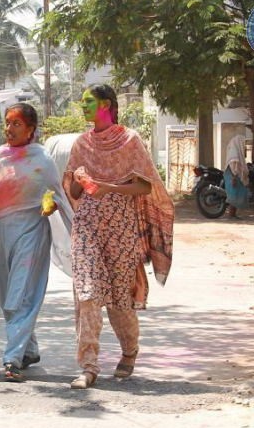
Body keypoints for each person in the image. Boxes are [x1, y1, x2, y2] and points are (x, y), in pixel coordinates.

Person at [64, 84, 173, 389]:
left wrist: (110, 187)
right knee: (87, 294)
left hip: (121, 227)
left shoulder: (130, 140)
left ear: (106, 105)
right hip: (86, 226)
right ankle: (88, 365)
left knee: (120, 301)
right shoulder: (81, 144)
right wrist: (79, 179)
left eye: (89, 102)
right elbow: (73, 191)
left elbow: (145, 186)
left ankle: (129, 351)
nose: (83, 106)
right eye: (82, 102)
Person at [0, 103, 72, 382]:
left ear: (31, 129)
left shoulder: (42, 160)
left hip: (32, 231)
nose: (9, 129)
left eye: (17, 124)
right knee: (6, 295)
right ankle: (29, 349)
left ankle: (11, 358)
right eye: (7, 123)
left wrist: (50, 205)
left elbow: (56, 195)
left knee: (19, 295)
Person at [224, 134, 249, 219]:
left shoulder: (235, 149)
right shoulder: (234, 151)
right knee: (234, 196)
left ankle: (233, 214)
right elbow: (233, 164)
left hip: (233, 174)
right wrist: (234, 177)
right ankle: (231, 214)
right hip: (233, 175)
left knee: (236, 195)